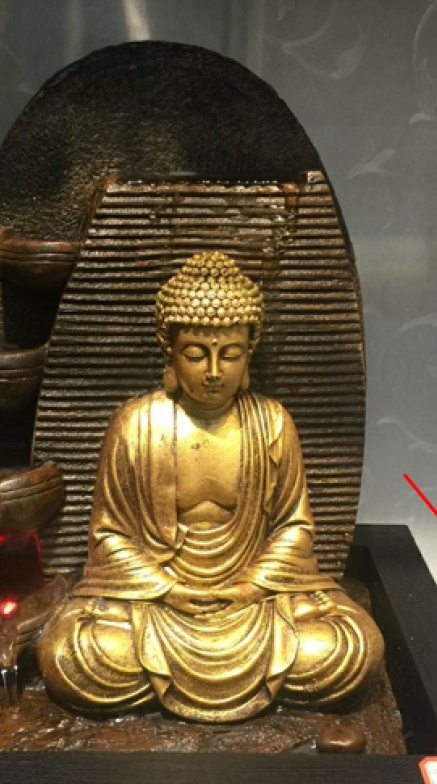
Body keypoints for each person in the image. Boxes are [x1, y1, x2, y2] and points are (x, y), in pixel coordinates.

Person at [38, 251, 383, 722]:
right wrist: (167, 588)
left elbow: (294, 528)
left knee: (352, 647)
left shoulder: (272, 423)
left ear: (249, 354)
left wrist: (250, 586)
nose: (215, 371)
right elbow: (109, 536)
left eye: (231, 354)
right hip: (156, 603)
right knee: (71, 652)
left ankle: (199, 672)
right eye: (197, 354)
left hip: (256, 601)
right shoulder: (136, 424)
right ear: (171, 352)